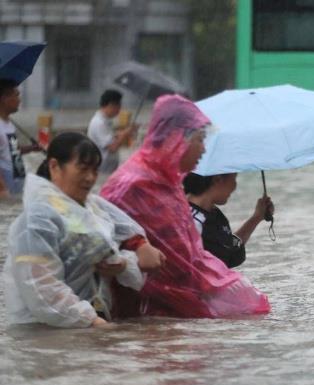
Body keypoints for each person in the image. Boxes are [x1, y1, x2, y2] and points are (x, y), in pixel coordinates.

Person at [100, 94, 270, 319]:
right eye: (199, 140)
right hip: (142, 311)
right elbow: (106, 242)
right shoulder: (134, 183)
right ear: (176, 139)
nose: (203, 150)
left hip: (175, 308)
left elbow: (191, 254)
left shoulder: (170, 184)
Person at [3, 132, 165, 328]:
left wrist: (126, 260)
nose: (90, 178)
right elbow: (42, 290)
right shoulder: (37, 220)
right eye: (82, 169)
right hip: (48, 331)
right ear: (54, 166)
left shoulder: (91, 207)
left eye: (95, 170)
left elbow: (125, 230)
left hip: (89, 322)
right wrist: (93, 322)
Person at [183, 172, 274, 268]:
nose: (234, 186)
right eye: (234, 178)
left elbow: (228, 250)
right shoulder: (190, 222)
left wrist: (257, 217)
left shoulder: (214, 213)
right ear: (217, 180)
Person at [0, 79, 42, 198]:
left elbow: (11, 150)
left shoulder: (9, 123)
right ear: (4, 98)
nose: (19, 100)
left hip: (17, 179)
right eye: (16, 95)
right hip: (6, 185)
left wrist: (31, 148)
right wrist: (2, 189)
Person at [87, 89, 138, 174]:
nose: (119, 110)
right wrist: (125, 133)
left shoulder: (106, 121)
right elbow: (112, 148)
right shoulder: (99, 123)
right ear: (111, 105)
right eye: (118, 106)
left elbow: (111, 137)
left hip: (108, 168)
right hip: (102, 170)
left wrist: (126, 131)